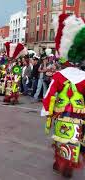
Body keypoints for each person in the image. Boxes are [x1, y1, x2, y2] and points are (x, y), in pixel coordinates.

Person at [42, 14, 85, 178]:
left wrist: (46, 110)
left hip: (62, 114)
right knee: (75, 139)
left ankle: (60, 162)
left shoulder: (59, 76)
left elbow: (49, 94)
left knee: (61, 138)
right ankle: (69, 165)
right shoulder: (84, 77)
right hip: (79, 115)